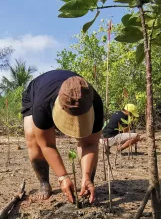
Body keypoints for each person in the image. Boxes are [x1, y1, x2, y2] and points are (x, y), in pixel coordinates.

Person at [21, 70, 104, 204]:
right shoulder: (42, 104)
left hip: (60, 92)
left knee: (86, 139)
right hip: (37, 93)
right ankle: (44, 184)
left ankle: (87, 183)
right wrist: (63, 177)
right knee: (34, 140)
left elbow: (90, 144)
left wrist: (87, 176)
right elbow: (47, 145)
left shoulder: (95, 101)